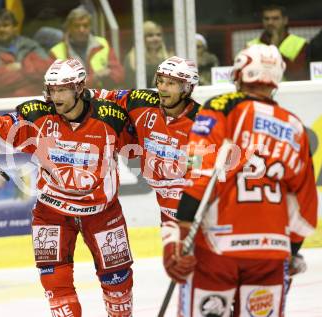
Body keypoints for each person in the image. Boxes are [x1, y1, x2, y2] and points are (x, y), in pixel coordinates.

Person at [0, 58, 136, 317]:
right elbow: (0, 131)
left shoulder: (110, 118)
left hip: (102, 213)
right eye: (51, 89)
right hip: (51, 212)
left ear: (79, 88)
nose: (55, 96)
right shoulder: (37, 115)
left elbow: (146, 138)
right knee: (55, 284)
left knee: (118, 282)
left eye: (62, 90)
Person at [163, 44, 318, 316]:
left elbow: (199, 172)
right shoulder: (295, 127)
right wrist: (290, 251)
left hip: (217, 247)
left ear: (240, 74)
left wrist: (181, 233)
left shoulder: (221, 107)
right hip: (271, 251)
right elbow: (306, 207)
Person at [93, 56, 201, 251]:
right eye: (160, 81)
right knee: (177, 263)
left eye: (171, 83)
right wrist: (71, 94)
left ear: (187, 88)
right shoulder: (141, 102)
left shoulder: (202, 123)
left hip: (195, 207)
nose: (163, 88)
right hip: (166, 207)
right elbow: (101, 96)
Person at [0, 9, 52, 98]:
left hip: (38, 101)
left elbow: (48, 69)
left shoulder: (30, 45)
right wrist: (32, 73)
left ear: (15, 28)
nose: (1, 29)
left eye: (5, 25)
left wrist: (21, 66)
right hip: (5, 105)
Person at [50, 6, 124, 89]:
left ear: (90, 27)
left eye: (85, 25)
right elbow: (57, 84)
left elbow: (120, 74)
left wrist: (109, 75)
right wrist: (95, 78)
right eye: (77, 26)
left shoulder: (102, 44)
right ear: (69, 28)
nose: (81, 29)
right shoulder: (56, 52)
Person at [247, 5, 309, 81]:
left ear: (285, 20)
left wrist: (275, 51)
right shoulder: (251, 45)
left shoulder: (300, 44)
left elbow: (298, 76)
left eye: (275, 19)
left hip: (290, 90)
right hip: (260, 91)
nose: (270, 22)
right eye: (266, 19)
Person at [123, 20, 172, 87]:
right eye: (150, 35)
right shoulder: (132, 58)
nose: (155, 38)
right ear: (142, 38)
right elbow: (129, 85)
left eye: (158, 35)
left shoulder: (168, 57)